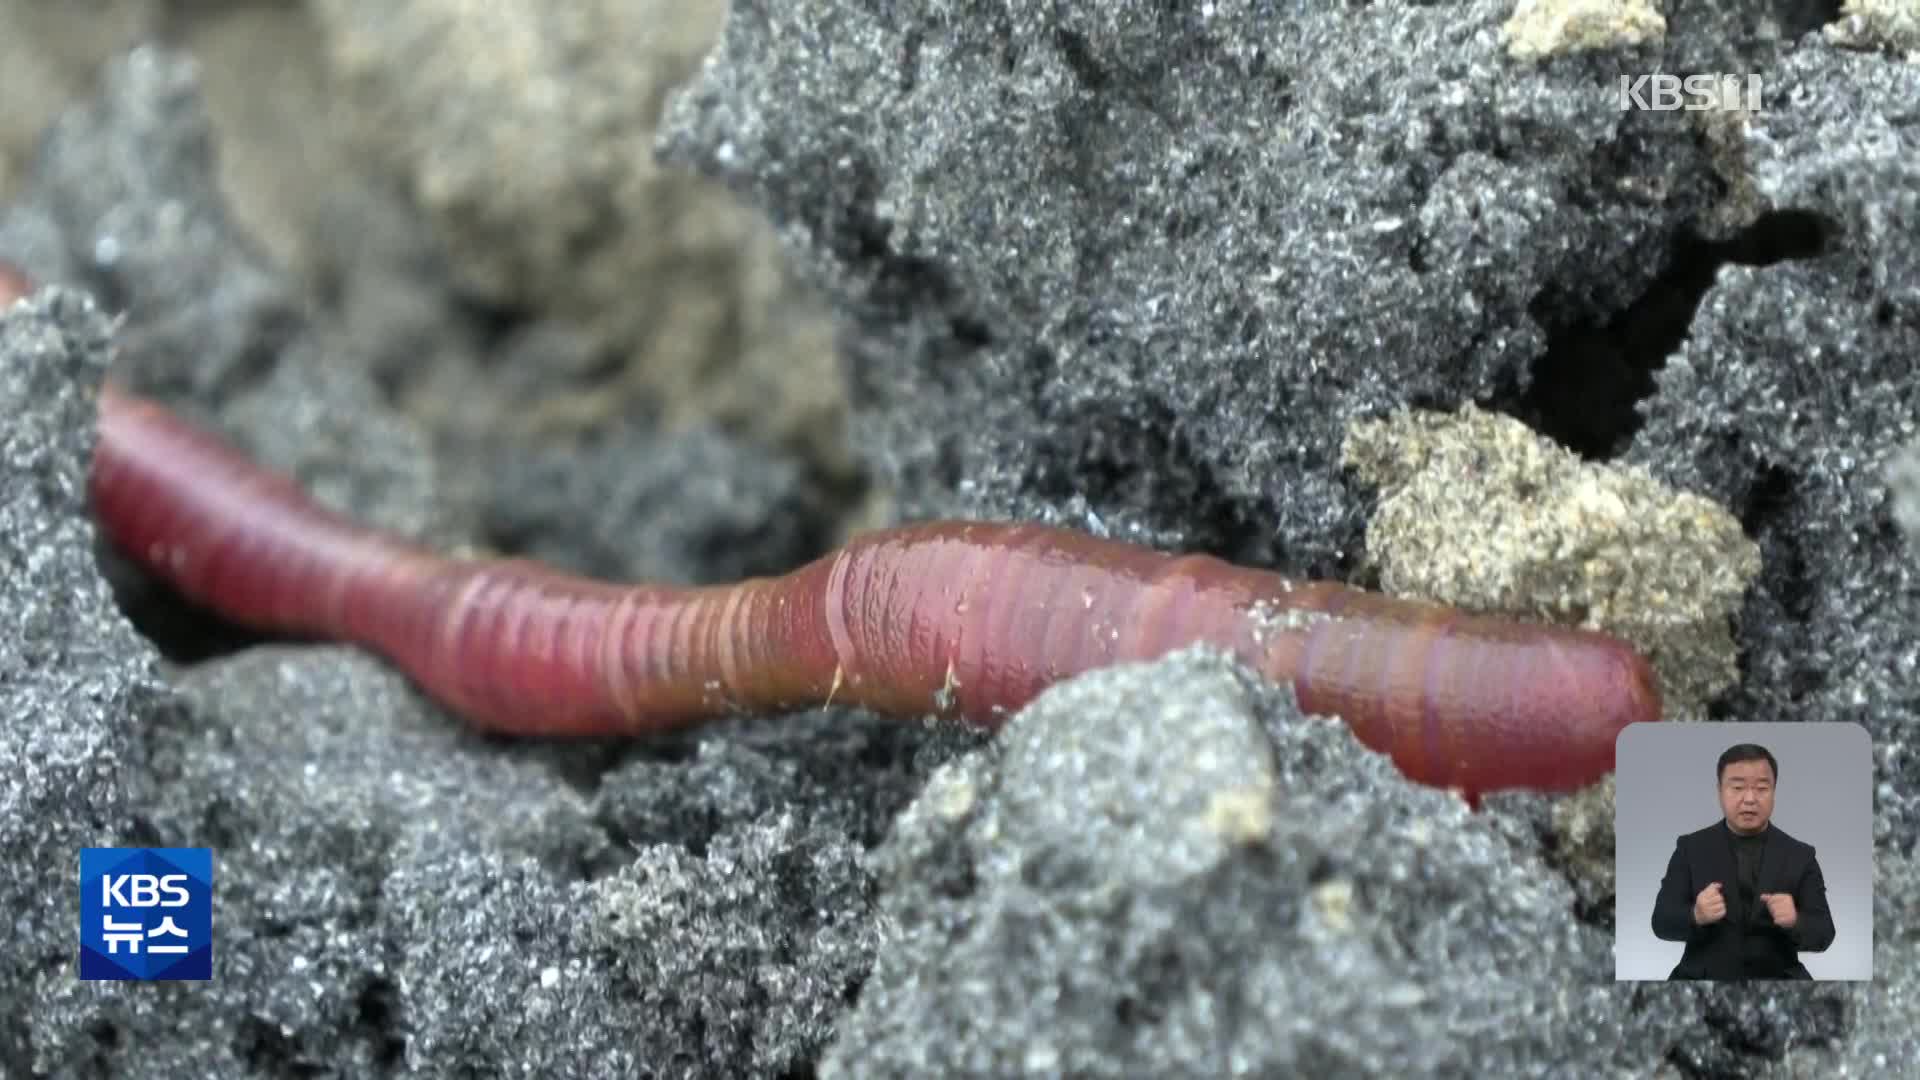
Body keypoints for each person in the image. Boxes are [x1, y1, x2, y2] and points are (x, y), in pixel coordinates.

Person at [1650, 743, 1836, 979]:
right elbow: (1661, 921)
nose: (1750, 799)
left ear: (1774, 791)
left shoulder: (1801, 855)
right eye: (1737, 787)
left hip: (1777, 983)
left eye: (1761, 788)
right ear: (1719, 791)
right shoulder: (1690, 849)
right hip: (1703, 980)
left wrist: (1795, 921)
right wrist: (1695, 915)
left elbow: (1825, 933)